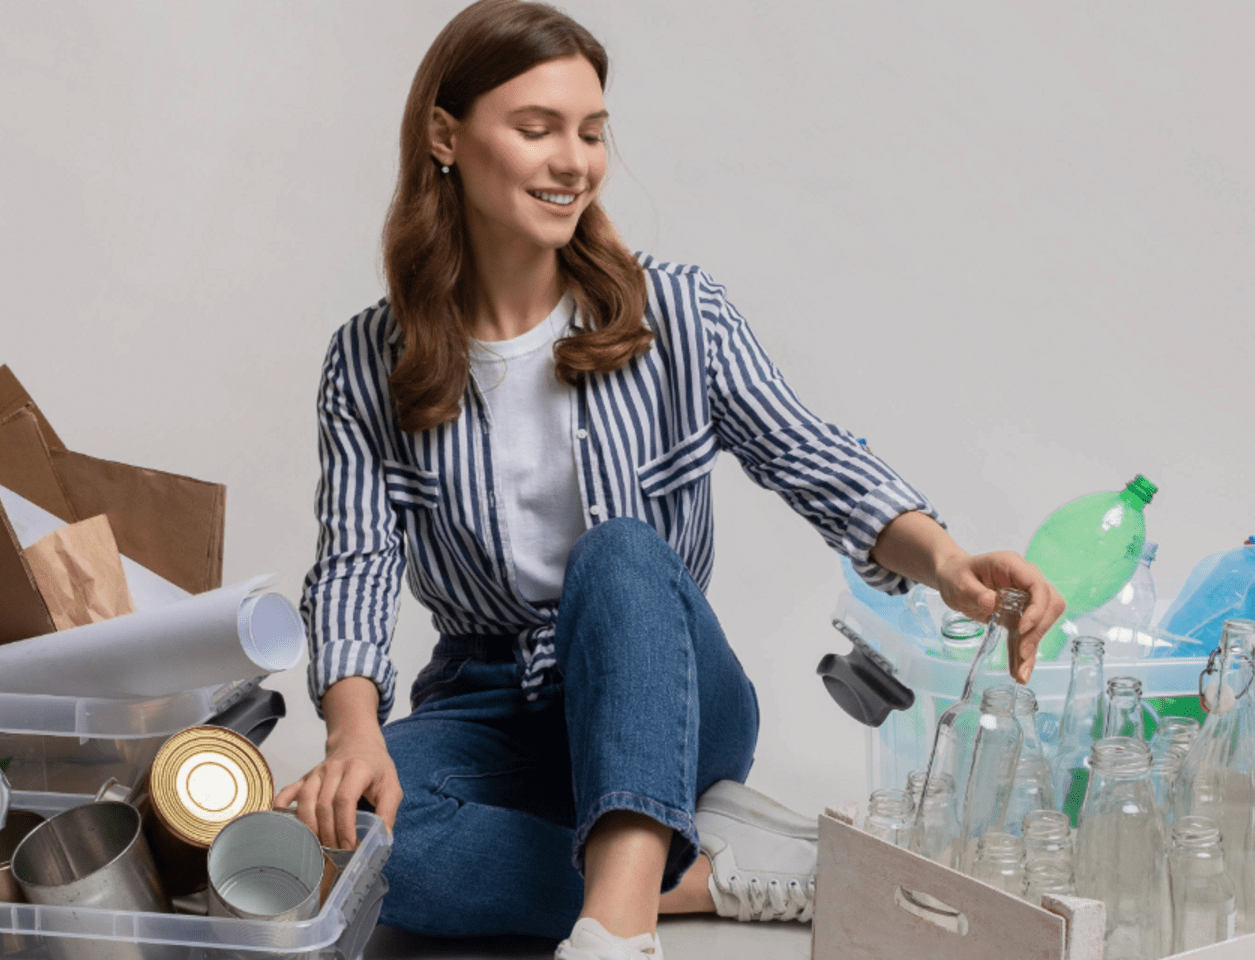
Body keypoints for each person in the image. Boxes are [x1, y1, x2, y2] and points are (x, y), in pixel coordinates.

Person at [274, 2, 1066, 957]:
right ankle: (699, 874)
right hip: (491, 703)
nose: (574, 161)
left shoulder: (678, 313)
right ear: (446, 134)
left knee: (617, 552)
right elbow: (354, 560)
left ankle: (616, 929)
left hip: (670, 692)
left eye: (592, 132)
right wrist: (352, 735)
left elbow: (809, 454)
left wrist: (944, 560)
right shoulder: (369, 358)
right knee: (341, 845)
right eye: (537, 129)